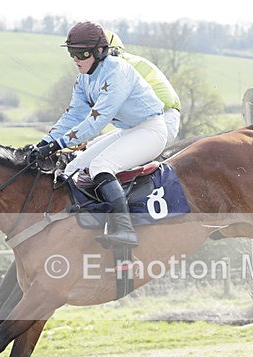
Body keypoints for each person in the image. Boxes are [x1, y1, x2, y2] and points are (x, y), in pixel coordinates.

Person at [29, 20, 168, 248]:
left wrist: (56, 145)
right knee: (72, 169)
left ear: (100, 51)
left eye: (81, 54)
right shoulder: (84, 78)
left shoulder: (117, 71)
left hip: (151, 130)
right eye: (72, 53)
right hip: (129, 131)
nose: (76, 59)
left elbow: (96, 122)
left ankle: (125, 229)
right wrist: (44, 142)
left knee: (101, 166)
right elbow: (73, 115)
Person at [105, 30, 181, 145]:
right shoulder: (121, 64)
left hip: (163, 119)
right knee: (93, 146)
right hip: (147, 122)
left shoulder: (121, 69)